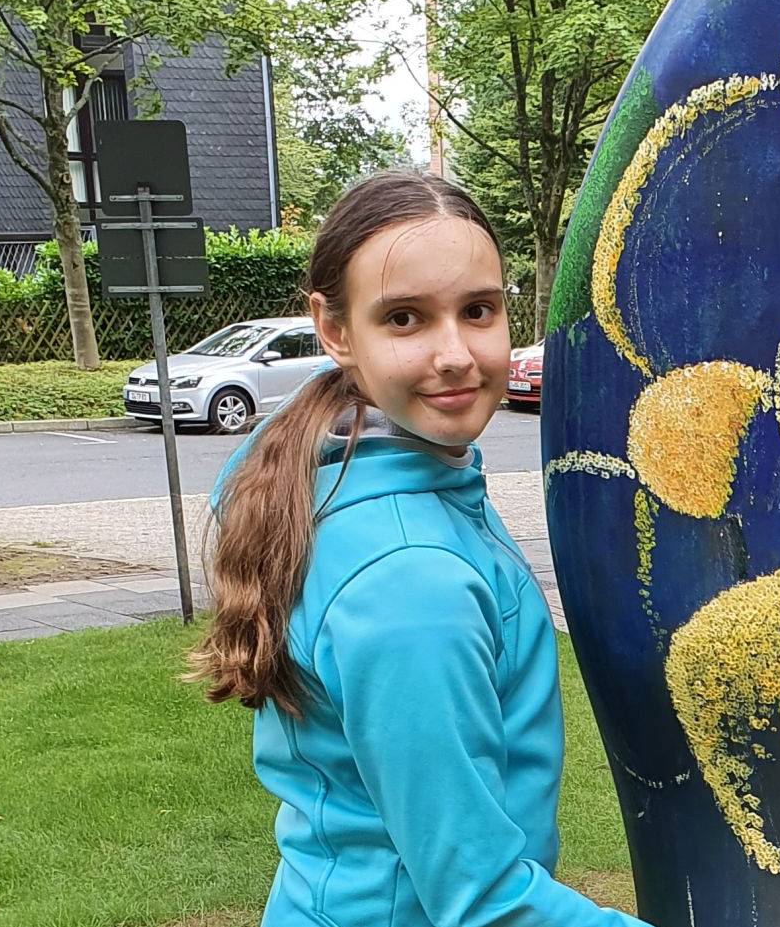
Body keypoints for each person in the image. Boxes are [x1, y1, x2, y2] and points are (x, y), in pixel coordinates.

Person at [188, 171, 647, 927]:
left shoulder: (374, 474)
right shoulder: (409, 583)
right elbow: (482, 899)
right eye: (405, 318)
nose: (456, 353)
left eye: (479, 310)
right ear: (335, 330)